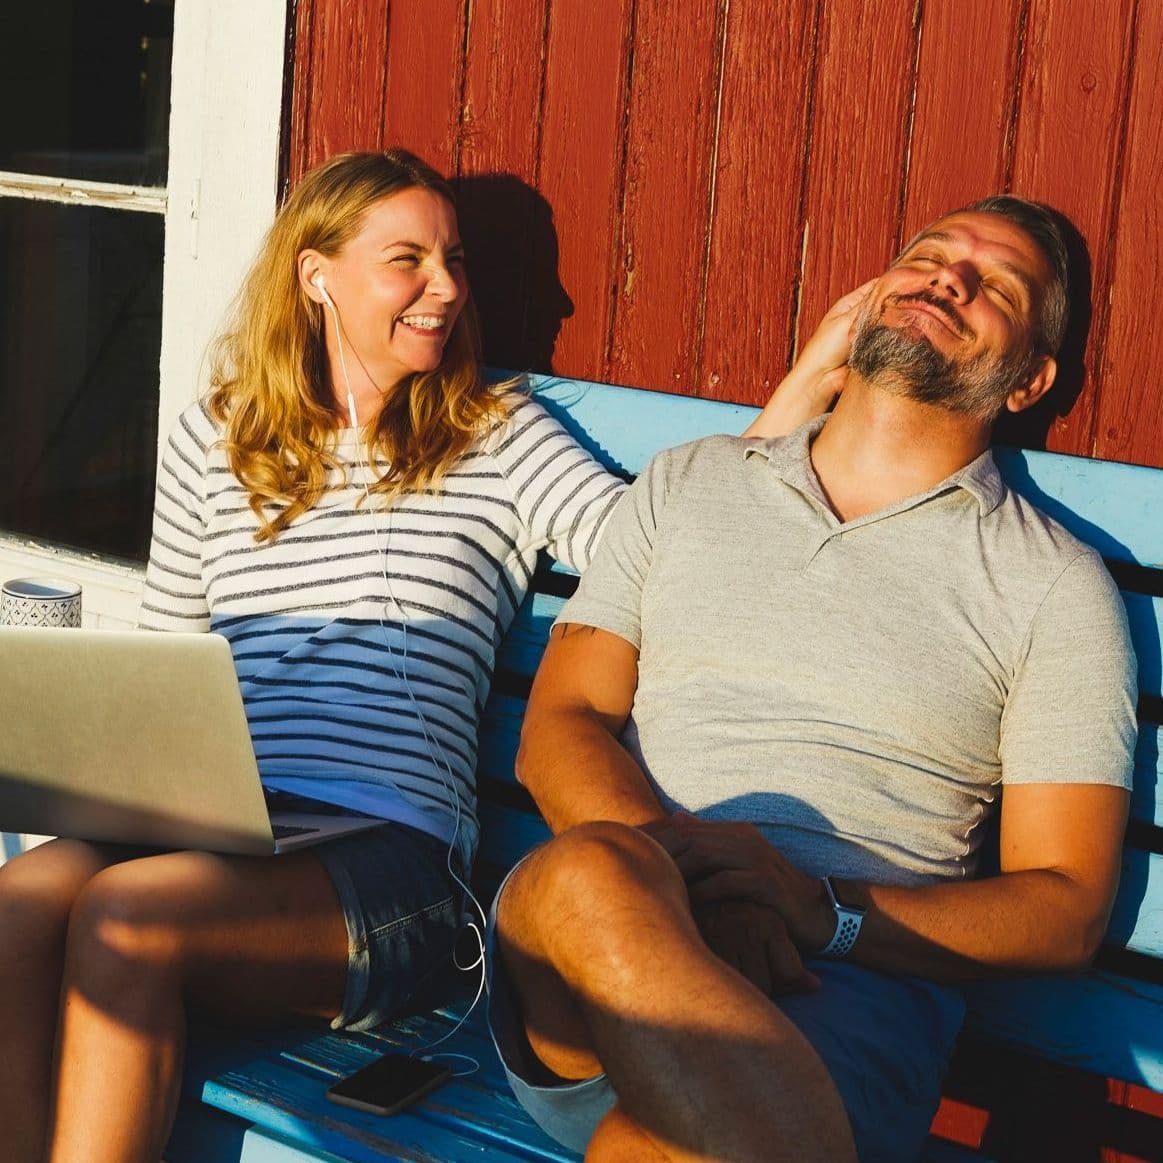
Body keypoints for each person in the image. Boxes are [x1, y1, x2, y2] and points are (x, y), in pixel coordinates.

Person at [0, 148, 839, 1163]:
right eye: (408, 259)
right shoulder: (215, 437)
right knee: (18, 907)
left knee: (124, 918)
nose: (445, 287)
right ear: (316, 275)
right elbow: (166, 659)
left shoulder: (496, 435)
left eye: (453, 260)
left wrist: (799, 392)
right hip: (224, 831)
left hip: (395, 867)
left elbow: (660, 547)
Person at [491, 197, 1138, 1163]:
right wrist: (704, 889)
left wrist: (817, 911)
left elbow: (1065, 906)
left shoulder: (1051, 584)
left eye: (994, 288)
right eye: (928, 255)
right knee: (588, 874)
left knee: (672, 1140)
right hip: (594, 962)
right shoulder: (689, 482)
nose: (948, 278)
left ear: (1028, 380)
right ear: (871, 297)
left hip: (832, 998)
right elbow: (562, 722)